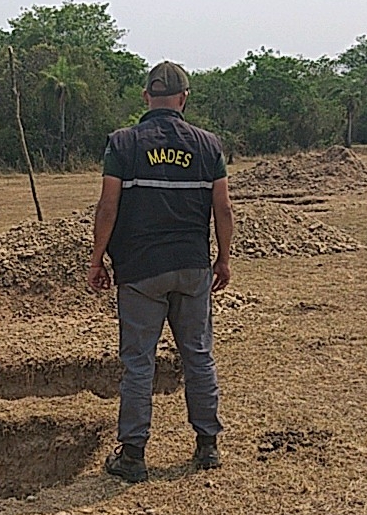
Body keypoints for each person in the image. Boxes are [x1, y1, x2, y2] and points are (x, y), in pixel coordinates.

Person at [88, 61, 234, 483]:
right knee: (198, 356)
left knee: (138, 362)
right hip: (192, 268)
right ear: (184, 98)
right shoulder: (209, 146)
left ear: (145, 97)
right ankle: (207, 446)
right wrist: (222, 259)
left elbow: (108, 207)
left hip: (140, 272)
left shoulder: (123, 144)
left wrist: (97, 259)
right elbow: (222, 208)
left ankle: (133, 455)